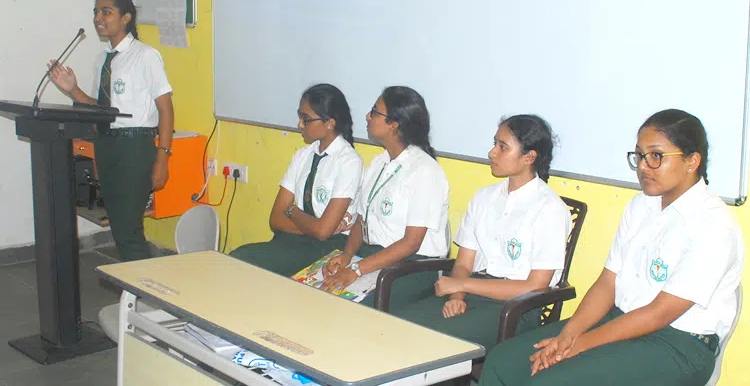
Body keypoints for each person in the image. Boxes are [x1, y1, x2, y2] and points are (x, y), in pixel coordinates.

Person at [480, 109, 744, 386]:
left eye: (656, 156)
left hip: (678, 344)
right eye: (639, 155)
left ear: (692, 161)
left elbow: (661, 312)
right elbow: (608, 282)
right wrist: (569, 334)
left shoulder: (713, 224)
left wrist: (580, 344)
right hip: (618, 321)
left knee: (551, 380)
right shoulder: (641, 205)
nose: (643, 166)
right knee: (504, 361)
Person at [393, 115, 571, 351]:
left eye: (502, 147)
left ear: (529, 157)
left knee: (430, 341)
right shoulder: (484, 198)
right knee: (396, 325)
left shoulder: (550, 208)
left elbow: (534, 286)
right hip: (471, 292)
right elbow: (464, 262)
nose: (492, 153)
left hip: (516, 309)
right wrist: (457, 296)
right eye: (494, 143)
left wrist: (462, 286)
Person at [48, 0, 174, 261]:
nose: (98, 18)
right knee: (119, 226)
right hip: (108, 146)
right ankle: (138, 292)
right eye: (96, 12)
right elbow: (102, 108)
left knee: (128, 229)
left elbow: (166, 109)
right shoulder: (103, 59)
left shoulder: (145, 56)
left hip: (134, 146)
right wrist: (73, 91)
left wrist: (162, 157)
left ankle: (145, 294)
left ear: (126, 17)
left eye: (106, 11)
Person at [320, 86, 450, 310]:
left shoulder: (424, 170)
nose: (367, 117)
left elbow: (411, 243)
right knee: (316, 290)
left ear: (394, 124)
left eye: (374, 112)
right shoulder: (379, 163)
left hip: (412, 267)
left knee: (348, 307)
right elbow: (361, 221)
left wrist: (356, 270)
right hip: (374, 257)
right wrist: (347, 255)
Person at [230, 84, 364, 277]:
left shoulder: (349, 162)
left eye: (306, 119)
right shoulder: (303, 155)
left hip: (326, 248)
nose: (300, 124)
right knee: (238, 259)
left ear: (329, 123)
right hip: (294, 240)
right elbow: (276, 219)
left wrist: (292, 211)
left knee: (244, 260)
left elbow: (323, 233)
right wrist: (315, 226)